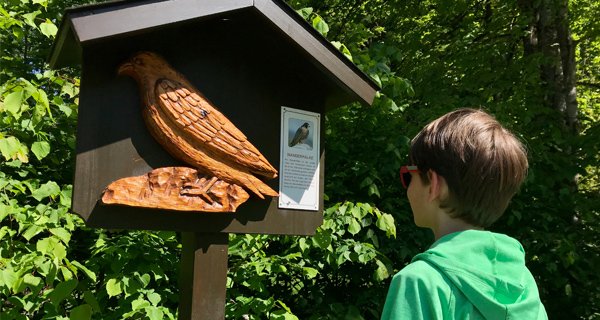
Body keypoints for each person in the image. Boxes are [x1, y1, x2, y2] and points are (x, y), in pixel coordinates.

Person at [381, 108, 548, 319]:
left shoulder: (419, 281)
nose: (406, 185)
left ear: (433, 185)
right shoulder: (522, 282)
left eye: (408, 176)